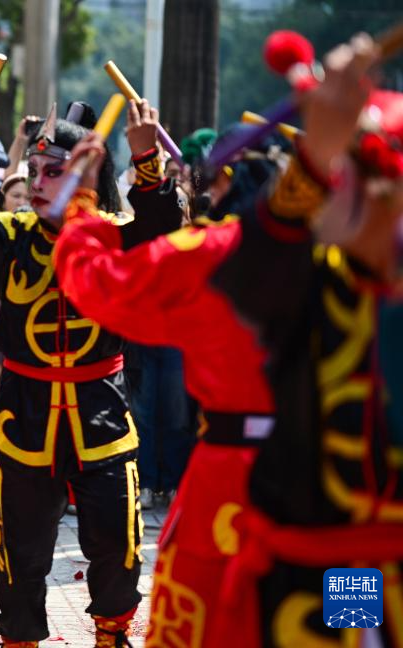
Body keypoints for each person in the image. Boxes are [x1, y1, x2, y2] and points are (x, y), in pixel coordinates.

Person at [0, 96, 183, 647]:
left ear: (87, 174)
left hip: (102, 414)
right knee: (20, 553)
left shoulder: (114, 235)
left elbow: (166, 225)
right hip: (25, 416)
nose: (39, 182)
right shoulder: (10, 236)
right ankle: (20, 638)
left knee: (118, 545)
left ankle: (111, 634)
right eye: (34, 171)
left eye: (54, 171)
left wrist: (147, 160)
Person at [53, 98, 284, 648]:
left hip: (231, 476)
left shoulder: (210, 254)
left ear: (222, 183)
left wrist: (80, 198)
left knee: (206, 618)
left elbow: (95, 282)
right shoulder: (364, 257)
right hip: (352, 479)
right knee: (349, 605)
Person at [208, 34, 403, 648]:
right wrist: (317, 152)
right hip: (335, 573)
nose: (329, 191)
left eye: (342, 177)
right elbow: (250, 280)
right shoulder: (322, 284)